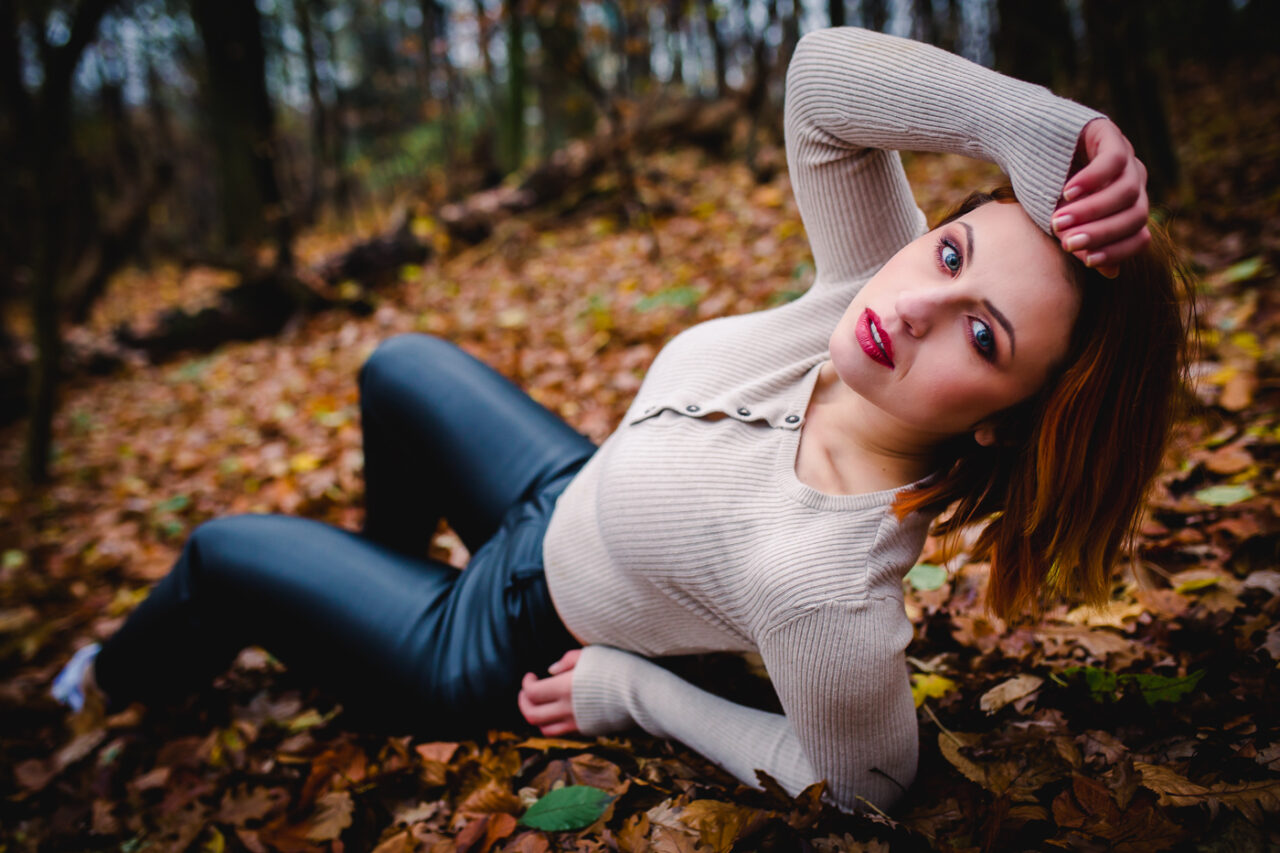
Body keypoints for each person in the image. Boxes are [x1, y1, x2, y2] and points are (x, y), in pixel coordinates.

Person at [52, 26, 1192, 813]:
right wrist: (1035, 124)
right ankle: (376, 578)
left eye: (984, 336)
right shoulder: (862, 298)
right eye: (949, 249)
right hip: (559, 490)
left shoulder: (824, 584)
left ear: (1006, 422)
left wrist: (631, 695)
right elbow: (817, 81)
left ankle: (99, 685)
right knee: (396, 362)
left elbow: (858, 786)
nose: (920, 304)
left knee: (215, 555)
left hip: (493, 643)